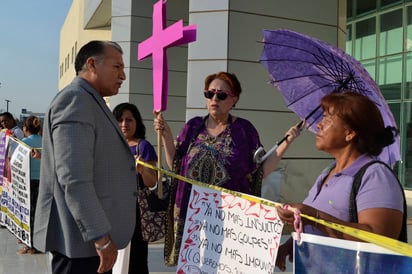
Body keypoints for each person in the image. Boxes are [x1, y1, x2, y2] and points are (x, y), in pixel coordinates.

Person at [153, 71, 301, 266]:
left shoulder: (244, 130)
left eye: (221, 95)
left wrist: (286, 142)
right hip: (193, 215)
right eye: (210, 94)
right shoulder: (192, 126)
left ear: (234, 100)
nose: (214, 99)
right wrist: (166, 135)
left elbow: (259, 171)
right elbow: (176, 166)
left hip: (230, 220)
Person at [33, 41, 137, 274]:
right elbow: (74, 178)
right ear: (92, 64)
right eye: (117, 67)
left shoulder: (89, 100)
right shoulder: (75, 100)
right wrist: (101, 237)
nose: (123, 75)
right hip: (81, 244)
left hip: (87, 244)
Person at [275, 91, 406, 272]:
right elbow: (313, 220)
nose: (319, 125)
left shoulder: (375, 176)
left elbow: (381, 240)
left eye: (327, 119)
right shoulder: (328, 172)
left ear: (350, 133)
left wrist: (314, 217)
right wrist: (289, 244)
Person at [112, 103, 157, 274]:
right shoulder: (109, 145)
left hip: (136, 214)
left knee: (136, 260)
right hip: (112, 211)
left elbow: (153, 183)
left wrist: (142, 170)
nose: (124, 124)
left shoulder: (143, 147)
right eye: (120, 120)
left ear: (137, 122)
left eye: (129, 120)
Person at [17, 115, 42, 254]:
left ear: (25, 128)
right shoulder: (45, 141)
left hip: (27, 182)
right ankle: (37, 243)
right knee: (38, 213)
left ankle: (30, 244)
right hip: (43, 182)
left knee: (28, 213)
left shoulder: (22, 142)